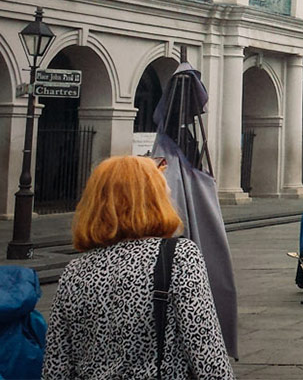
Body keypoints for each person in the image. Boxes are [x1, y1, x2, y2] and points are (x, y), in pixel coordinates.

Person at [42, 156, 235, 379]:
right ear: (152, 200)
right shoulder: (179, 256)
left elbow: (56, 365)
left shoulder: (74, 271)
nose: (170, 194)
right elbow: (206, 353)